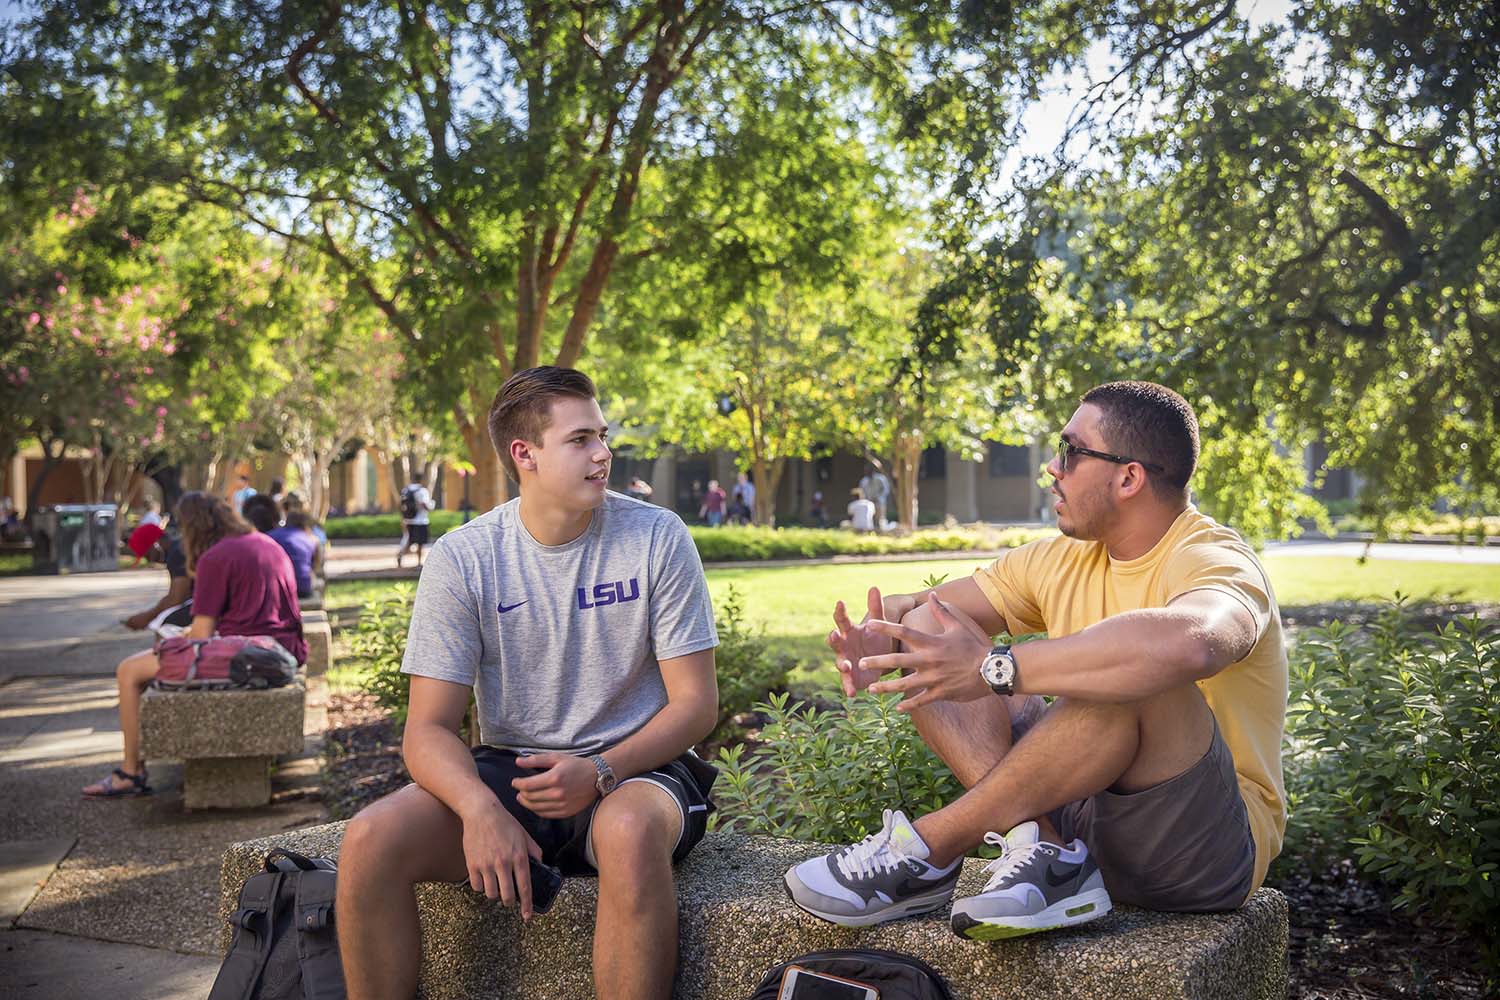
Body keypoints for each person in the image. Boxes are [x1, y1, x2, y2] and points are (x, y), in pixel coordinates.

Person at [785, 381, 1287, 942]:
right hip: (1078, 812)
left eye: (1071, 451)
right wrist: (884, 634)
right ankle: (1045, 851)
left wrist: (998, 669)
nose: (1053, 467)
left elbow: (1193, 642)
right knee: (935, 624)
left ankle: (929, 847)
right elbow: (923, 614)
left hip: (1198, 847)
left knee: (1138, 673)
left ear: (1129, 477)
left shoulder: (1213, 558)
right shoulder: (1060, 560)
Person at [336, 366, 719, 1000]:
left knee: (626, 831)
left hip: (638, 771)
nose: (603, 453)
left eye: (601, 434)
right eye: (579, 440)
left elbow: (697, 705)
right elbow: (427, 728)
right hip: (513, 772)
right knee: (370, 841)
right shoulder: (465, 557)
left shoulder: (657, 537)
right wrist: (479, 809)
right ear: (525, 454)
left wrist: (598, 769)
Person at [82, 492, 306, 797]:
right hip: (285, 650)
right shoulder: (264, 543)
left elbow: (201, 634)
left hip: (248, 656)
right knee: (156, 655)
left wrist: (178, 637)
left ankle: (131, 772)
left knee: (129, 670)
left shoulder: (216, 557)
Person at [121, 531, 193, 633]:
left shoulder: (177, 553)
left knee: (165, 626)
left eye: (147, 555)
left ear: (156, 544)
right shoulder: (177, 548)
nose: (149, 560)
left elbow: (176, 599)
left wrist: (147, 617)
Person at [396, 472, 436, 568]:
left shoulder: (406, 490)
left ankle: (401, 554)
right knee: (420, 543)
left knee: (409, 541)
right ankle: (418, 562)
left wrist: (403, 518)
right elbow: (424, 505)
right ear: (422, 480)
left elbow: (400, 505)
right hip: (421, 521)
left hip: (408, 520)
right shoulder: (422, 491)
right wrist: (431, 507)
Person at [125, 501, 167, 566]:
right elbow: (159, 529)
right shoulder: (155, 516)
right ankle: (152, 562)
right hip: (147, 535)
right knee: (155, 544)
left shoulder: (147, 515)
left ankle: (147, 562)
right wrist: (165, 521)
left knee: (152, 544)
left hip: (139, 536)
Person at [859, 460, 891, 532]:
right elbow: (861, 492)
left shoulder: (880, 479)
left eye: (868, 470)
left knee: (880, 518)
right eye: (866, 471)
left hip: (879, 502)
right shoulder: (863, 481)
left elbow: (885, 490)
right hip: (868, 503)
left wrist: (878, 497)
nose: (867, 472)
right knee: (869, 518)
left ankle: (881, 532)